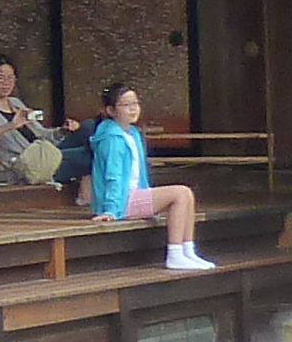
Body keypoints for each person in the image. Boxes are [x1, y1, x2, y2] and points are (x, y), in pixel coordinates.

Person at [88, 83, 214, 270]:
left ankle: (188, 251)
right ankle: (175, 254)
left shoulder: (133, 133)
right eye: (125, 105)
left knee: (186, 194)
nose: (133, 109)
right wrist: (111, 210)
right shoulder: (111, 137)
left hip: (133, 195)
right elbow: (112, 176)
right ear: (111, 110)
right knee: (180, 193)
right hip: (120, 201)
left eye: (135, 103)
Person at [0, 53, 90, 197]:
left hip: (46, 151)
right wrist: (11, 125)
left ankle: (90, 189)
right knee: (89, 154)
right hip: (30, 164)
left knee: (88, 128)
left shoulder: (15, 103)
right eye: (0, 78)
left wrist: (62, 131)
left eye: (11, 78)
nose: (6, 83)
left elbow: (43, 134)